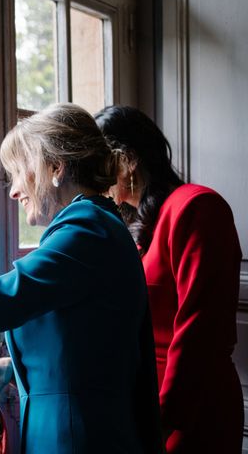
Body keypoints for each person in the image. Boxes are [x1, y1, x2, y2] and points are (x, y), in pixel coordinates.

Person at [0, 103, 163, 453]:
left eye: (19, 172)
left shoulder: (86, 231)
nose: (13, 190)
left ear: (56, 167)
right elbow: (89, 347)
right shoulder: (98, 225)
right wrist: (10, 366)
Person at [95, 105, 244, 453]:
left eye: (100, 165)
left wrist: (161, 420)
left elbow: (200, 330)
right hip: (142, 403)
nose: (95, 179)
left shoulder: (197, 206)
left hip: (191, 407)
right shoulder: (137, 225)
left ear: (128, 159)